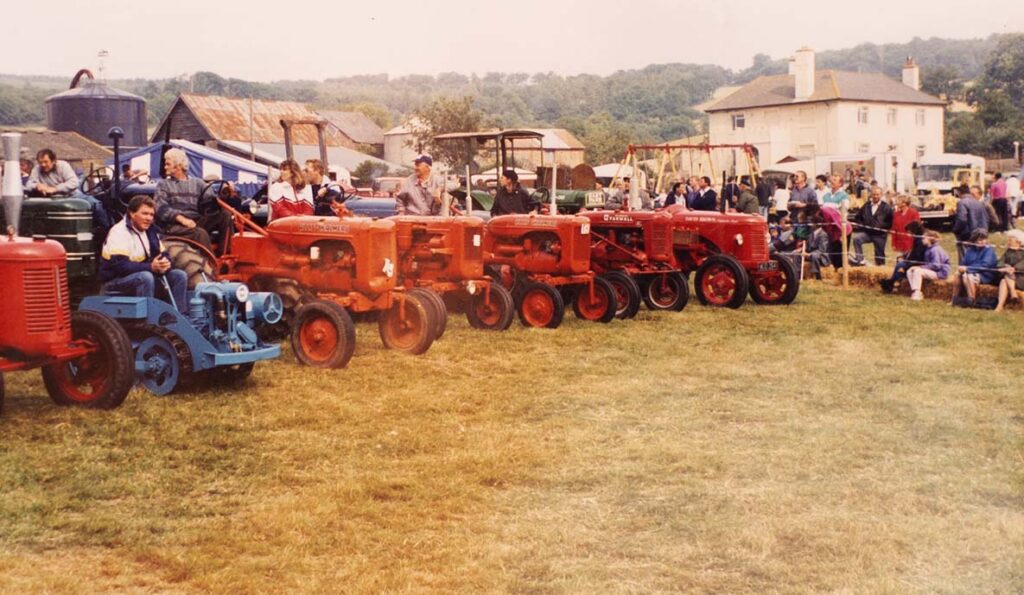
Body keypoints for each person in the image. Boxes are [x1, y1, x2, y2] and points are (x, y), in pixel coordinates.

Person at [99, 195, 188, 315]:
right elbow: (120, 266)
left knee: (179, 275)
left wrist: (165, 263)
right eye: (145, 214)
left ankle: (179, 316)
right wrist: (151, 267)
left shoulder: (149, 230)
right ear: (131, 213)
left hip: (140, 275)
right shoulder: (119, 232)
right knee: (145, 277)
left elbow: (164, 254)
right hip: (114, 282)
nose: (149, 218)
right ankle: (149, 320)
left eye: (151, 215)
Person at [154, 148, 232, 253]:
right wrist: (183, 220)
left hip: (195, 221)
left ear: (178, 166)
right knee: (200, 233)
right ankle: (211, 265)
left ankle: (226, 254)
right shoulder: (163, 185)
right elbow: (161, 209)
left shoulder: (198, 183)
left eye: (168, 164)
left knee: (225, 215)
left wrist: (221, 195)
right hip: (174, 225)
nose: (165, 167)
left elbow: (211, 200)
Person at [951, 228, 998, 306]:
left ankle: (971, 300)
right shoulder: (970, 249)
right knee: (957, 274)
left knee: (968, 277)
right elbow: (964, 262)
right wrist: (961, 268)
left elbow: (985, 265)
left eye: (984, 239)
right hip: (972, 271)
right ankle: (954, 299)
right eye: (979, 240)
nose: (982, 242)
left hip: (985, 274)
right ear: (974, 240)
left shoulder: (989, 250)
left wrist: (968, 269)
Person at [850, 186, 893, 266]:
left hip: (880, 235)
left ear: (881, 195)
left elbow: (890, 221)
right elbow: (858, 217)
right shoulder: (866, 205)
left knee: (879, 254)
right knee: (856, 239)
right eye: (874, 194)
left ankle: (880, 268)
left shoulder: (886, 207)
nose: (875, 196)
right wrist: (862, 226)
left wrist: (883, 228)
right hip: (867, 233)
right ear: (871, 195)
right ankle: (860, 260)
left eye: (877, 194)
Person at [880, 220, 926, 294]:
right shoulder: (917, 240)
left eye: (909, 232)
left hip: (920, 262)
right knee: (900, 261)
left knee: (901, 265)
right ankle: (893, 281)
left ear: (913, 231)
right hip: (915, 260)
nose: (908, 234)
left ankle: (893, 282)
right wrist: (905, 256)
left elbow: (918, 257)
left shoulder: (920, 242)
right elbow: (913, 253)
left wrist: (906, 266)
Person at [906, 230, 951, 301]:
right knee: (910, 271)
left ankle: (917, 293)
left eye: (924, 238)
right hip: (933, 270)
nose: (922, 239)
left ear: (930, 239)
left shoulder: (935, 250)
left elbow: (936, 266)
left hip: (940, 273)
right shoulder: (928, 249)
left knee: (917, 271)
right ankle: (915, 291)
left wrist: (920, 267)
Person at [951, 184, 988, 260]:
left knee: (965, 258)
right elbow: (986, 218)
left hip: (967, 234)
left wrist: (955, 229)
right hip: (981, 233)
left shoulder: (962, 203)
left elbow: (962, 219)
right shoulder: (979, 203)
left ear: (959, 193)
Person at [995, 229, 1024, 312]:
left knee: (1006, 277)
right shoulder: (1008, 251)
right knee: (1004, 280)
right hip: (1009, 276)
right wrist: (1005, 267)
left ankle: (1011, 293)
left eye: (1011, 240)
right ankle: (1000, 305)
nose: (1009, 241)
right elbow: (1000, 262)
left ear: (1018, 241)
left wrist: (1014, 268)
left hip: (1021, 277)